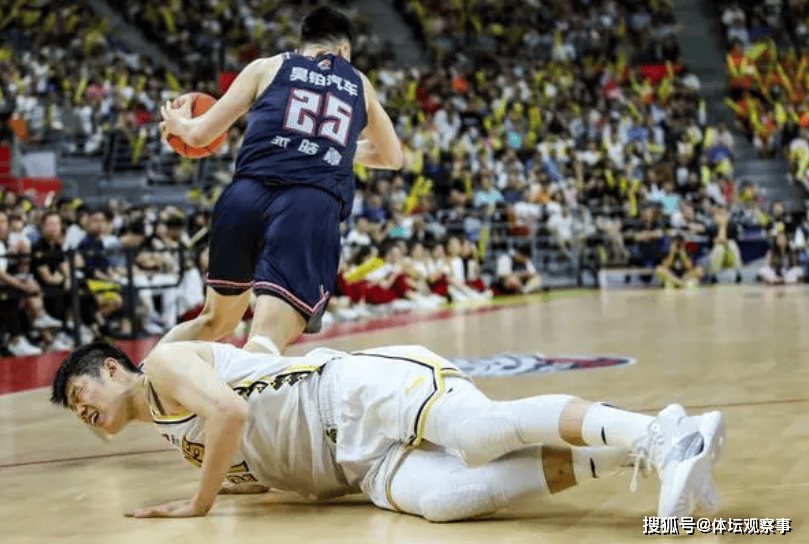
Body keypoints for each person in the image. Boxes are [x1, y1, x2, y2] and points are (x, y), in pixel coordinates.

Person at [50, 340, 724, 522]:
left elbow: (233, 413)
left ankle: (662, 433)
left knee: (479, 431)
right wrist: (235, 484)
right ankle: (638, 454)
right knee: (449, 500)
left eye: (82, 394)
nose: (83, 413)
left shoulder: (165, 362)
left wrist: (198, 500)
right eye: (75, 415)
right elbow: (238, 436)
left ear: (114, 369)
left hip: (346, 396)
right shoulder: (172, 430)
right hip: (351, 468)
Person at [159, 6, 402, 355]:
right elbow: (392, 157)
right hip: (305, 204)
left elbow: (198, 137)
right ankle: (241, 407)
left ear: (305, 42)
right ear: (344, 50)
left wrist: (177, 124)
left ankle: (139, 384)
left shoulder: (266, 66)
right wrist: (338, 147)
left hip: (244, 197)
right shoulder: (358, 83)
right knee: (265, 337)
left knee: (214, 322)